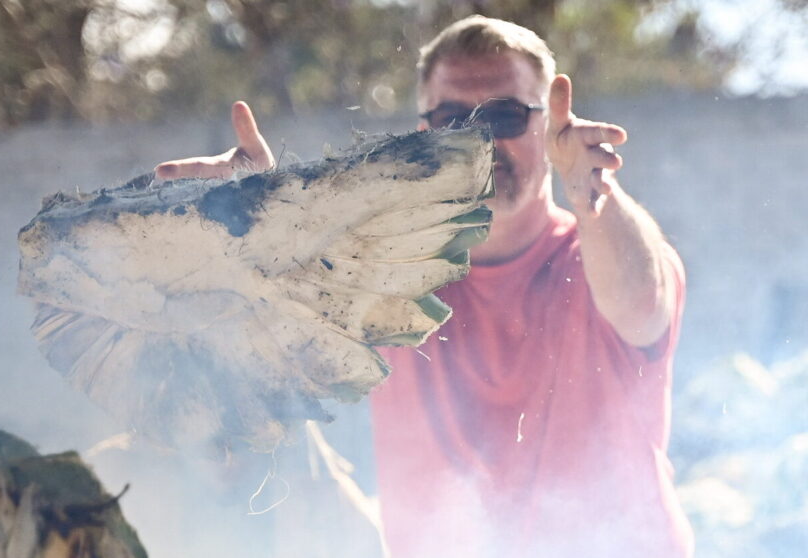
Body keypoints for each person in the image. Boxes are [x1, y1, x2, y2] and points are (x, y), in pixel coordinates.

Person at [156, 15, 693, 558]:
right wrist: (252, 221)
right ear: (425, 136)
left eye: (505, 115)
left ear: (548, 128)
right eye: (455, 118)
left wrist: (591, 193)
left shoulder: (598, 252)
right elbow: (258, 344)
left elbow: (643, 304)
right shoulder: (386, 276)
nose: (482, 139)